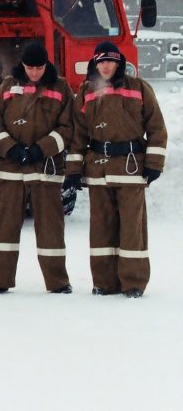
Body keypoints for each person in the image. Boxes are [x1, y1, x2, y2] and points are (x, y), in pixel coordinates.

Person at [66, 41, 168, 298]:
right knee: (101, 228)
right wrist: (75, 169)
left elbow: (156, 128)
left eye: (110, 61)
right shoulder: (86, 91)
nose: (106, 66)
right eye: (101, 61)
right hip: (98, 169)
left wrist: (154, 164)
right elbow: (78, 134)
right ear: (95, 64)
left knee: (132, 229)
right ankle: (104, 282)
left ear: (119, 62)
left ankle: (133, 283)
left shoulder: (139, 87)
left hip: (131, 169)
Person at [0, 42, 74, 295]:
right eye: (30, 68)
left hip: (45, 168)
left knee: (50, 228)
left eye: (39, 68)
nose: (35, 73)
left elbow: (67, 127)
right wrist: (10, 147)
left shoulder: (61, 87)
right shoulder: (8, 85)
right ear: (22, 65)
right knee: (5, 227)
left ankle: (58, 282)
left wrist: (40, 149)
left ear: (47, 65)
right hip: (11, 169)